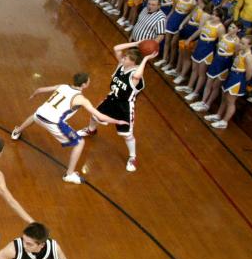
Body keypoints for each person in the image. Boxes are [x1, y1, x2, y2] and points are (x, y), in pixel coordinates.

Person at [10, 73, 126, 183]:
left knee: (35, 116)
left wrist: (34, 94)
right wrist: (118, 121)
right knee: (79, 143)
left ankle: (17, 131)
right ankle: (69, 175)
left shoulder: (63, 86)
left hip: (40, 114)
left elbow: (40, 89)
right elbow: (100, 116)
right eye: (88, 81)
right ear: (84, 85)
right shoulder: (81, 99)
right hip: (54, 123)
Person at [77, 42, 153, 172]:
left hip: (124, 107)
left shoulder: (135, 75)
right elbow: (116, 48)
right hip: (112, 99)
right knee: (94, 115)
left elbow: (138, 75)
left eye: (126, 58)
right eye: (124, 57)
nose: (123, 58)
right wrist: (137, 43)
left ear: (133, 63)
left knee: (126, 135)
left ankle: (132, 157)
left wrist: (145, 59)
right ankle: (91, 130)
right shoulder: (121, 66)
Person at [207, 34, 252, 129]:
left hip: (238, 79)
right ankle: (218, 115)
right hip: (232, 75)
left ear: (250, 45)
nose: (240, 44)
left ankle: (224, 121)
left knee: (230, 101)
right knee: (224, 97)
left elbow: (249, 74)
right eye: (240, 42)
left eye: (243, 44)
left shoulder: (249, 57)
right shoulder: (241, 52)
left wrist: (242, 82)